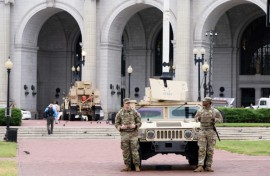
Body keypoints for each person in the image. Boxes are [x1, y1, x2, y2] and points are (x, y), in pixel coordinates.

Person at [194, 97, 223, 172]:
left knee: (210, 150)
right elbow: (195, 118)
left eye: (204, 101)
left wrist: (215, 119)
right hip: (202, 131)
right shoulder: (200, 110)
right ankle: (200, 166)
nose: (203, 102)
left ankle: (208, 166)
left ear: (209, 102)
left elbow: (221, 120)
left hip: (211, 131)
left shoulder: (215, 111)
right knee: (201, 149)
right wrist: (198, 119)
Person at [115, 98, 142, 172]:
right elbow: (116, 123)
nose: (128, 105)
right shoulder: (120, 113)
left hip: (133, 134)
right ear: (123, 104)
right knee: (125, 151)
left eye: (129, 103)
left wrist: (135, 126)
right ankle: (127, 166)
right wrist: (120, 127)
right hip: (124, 134)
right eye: (127, 103)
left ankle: (137, 166)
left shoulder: (134, 112)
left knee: (135, 150)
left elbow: (139, 122)